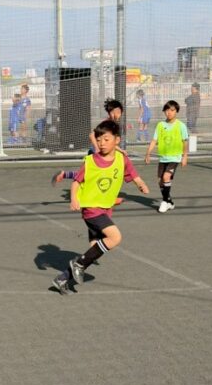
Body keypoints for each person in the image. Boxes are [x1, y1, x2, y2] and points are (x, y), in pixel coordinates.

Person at [51, 118, 149, 293]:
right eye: (98, 140)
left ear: (117, 140)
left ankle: (63, 278)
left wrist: (140, 183)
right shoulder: (90, 161)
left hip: (105, 209)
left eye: (106, 139)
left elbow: (133, 174)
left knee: (94, 250)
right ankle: (78, 263)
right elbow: (76, 181)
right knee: (115, 237)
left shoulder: (122, 159)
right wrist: (74, 199)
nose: (102, 143)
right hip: (91, 209)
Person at [50, 98, 124, 185]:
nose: (116, 115)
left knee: (88, 175)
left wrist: (121, 150)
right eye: (113, 112)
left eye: (118, 112)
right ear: (109, 113)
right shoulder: (106, 124)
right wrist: (97, 149)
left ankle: (64, 174)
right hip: (96, 152)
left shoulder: (114, 125)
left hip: (100, 152)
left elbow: (110, 143)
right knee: (94, 175)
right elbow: (92, 135)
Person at [145, 99, 189, 212]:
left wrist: (185, 157)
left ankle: (164, 202)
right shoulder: (160, 125)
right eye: (167, 110)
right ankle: (169, 201)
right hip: (163, 157)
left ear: (176, 111)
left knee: (166, 177)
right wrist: (148, 153)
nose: (169, 112)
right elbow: (154, 140)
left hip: (175, 157)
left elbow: (185, 142)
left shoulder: (181, 126)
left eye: (172, 110)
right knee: (160, 181)